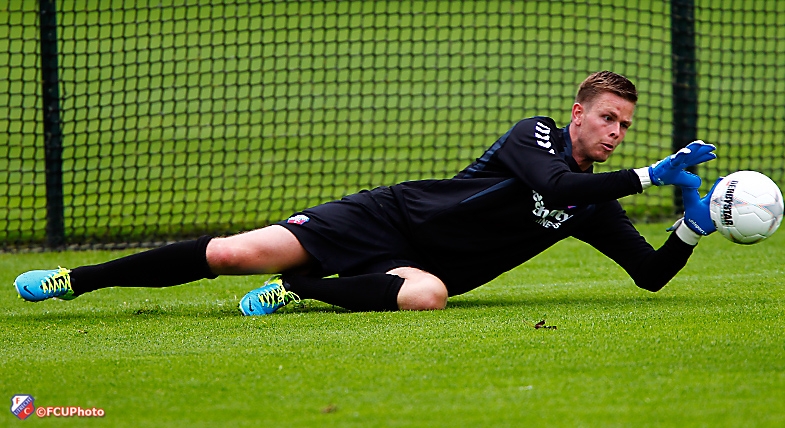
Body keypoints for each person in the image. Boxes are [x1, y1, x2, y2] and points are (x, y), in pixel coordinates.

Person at [14, 71, 719, 316]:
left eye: (625, 126)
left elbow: (650, 276)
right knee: (231, 255)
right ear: (576, 114)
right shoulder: (532, 135)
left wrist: (692, 226)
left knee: (427, 298)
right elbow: (554, 183)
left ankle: (302, 291)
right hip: (382, 217)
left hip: (420, 267)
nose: (617, 133)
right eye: (607, 119)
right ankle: (76, 280)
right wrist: (658, 174)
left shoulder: (594, 203)